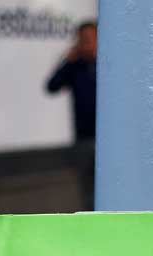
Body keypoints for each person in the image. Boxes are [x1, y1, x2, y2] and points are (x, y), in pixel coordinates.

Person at [46, 20, 98, 211]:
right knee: (86, 189)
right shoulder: (75, 66)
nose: (86, 44)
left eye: (90, 39)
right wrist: (68, 61)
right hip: (83, 137)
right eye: (82, 40)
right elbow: (51, 86)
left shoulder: (109, 67)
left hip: (108, 141)